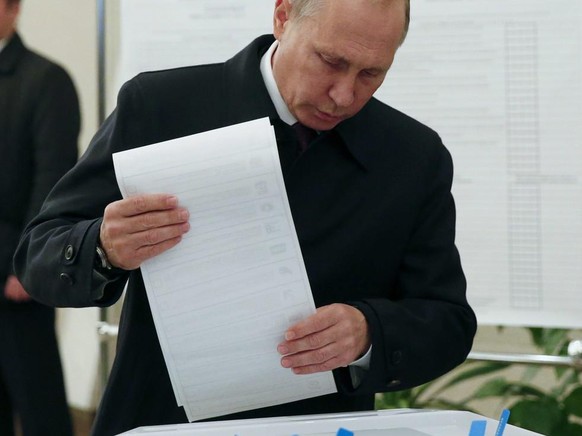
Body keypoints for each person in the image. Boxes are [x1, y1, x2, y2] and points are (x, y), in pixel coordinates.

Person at [14, 0, 477, 435]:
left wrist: (369, 331)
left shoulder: (414, 157)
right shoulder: (160, 106)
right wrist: (103, 246)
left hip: (315, 425)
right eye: (330, 61)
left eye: (372, 73)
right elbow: (38, 258)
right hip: (160, 421)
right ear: (282, 15)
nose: (343, 95)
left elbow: (448, 322)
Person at [0, 0, 79, 435]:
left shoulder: (45, 80)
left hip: (15, 275)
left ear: (13, 9)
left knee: (38, 403)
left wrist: (27, 266)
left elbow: (54, 180)